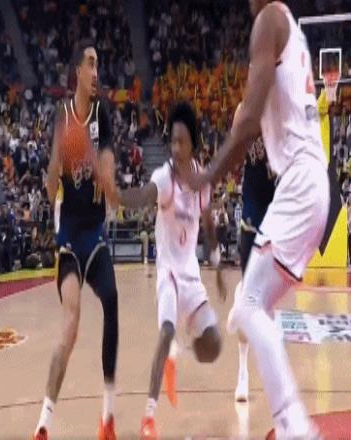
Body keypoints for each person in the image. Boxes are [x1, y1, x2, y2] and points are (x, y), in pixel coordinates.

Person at [184, 1, 329, 437]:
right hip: (307, 184)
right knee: (254, 304)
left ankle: (294, 426)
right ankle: (287, 423)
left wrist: (207, 175)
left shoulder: (268, 20)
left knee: (248, 306)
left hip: (299, 184)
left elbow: (247, 121)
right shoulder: (292, 27)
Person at [117, 102, 225, 439]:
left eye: (182, 142)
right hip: (168, 273)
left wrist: (217, 264)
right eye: (173, 142)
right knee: (165, 330)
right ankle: (149, 416)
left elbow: (208, 225)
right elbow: (143, 196)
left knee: (214, 345)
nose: (176, 148)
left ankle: (180, 350)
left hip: (191, 274)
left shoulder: (201, 180)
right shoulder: (164, 177)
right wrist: (117, 194)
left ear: (192, 143)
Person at [33, 40, 119, 440]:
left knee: (112, 300)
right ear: (77, 73)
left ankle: (107, 415)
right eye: (91, 63)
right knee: (71, 324)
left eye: (98, 64)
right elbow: (52, 186)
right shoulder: (62, 115)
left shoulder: (104, 114)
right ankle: (44, 422)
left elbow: (108, 169)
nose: (96, 71)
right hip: (69, 235)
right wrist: (56, 166)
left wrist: (101, 170)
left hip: (95, 234)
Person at [230, 103, 276, 402]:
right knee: (249, 291)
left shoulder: (285, 108)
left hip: (278, 200)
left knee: (267, 296)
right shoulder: (246, 109)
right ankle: (243, 372)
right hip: (253, 202)